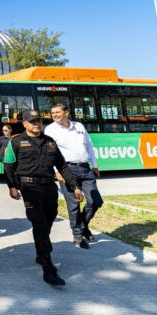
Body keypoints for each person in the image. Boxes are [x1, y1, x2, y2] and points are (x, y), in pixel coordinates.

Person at [3, 109, 83, 286]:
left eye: (38, 121)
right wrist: (12, 187)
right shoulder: (16, 141)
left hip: (49, 188)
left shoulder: (50, 142)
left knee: (47, 222)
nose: (36, 124)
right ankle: (48, 267)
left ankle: (41, 252)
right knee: (39, 224)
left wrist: (75, 186)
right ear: (24, 123)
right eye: (32, 121)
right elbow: (8, 165)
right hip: (29, 188)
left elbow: (62, 166)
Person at [44, 103, 103, 249]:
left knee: (95, 201)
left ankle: (83, 226)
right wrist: (56, 171)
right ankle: (77, 235)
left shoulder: (79, 126)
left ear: (66, 113)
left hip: (85, 168)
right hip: (66, 170)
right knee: (73, 205)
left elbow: (89, 145)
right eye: (52, 113)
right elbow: (49, 152)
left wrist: (94, 165)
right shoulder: (50, 129)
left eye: (57, 112)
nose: (54, 115)